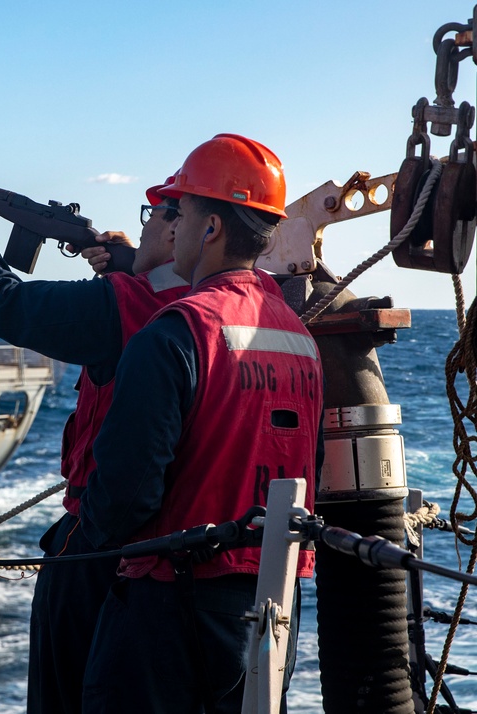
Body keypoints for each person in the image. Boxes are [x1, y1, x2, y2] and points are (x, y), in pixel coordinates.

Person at [78, 134, 324, 713]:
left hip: (168, 614)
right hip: (267, 616)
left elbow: (123, 499)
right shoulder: (301, 340)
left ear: (210, 228)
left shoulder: (174, 332)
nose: (172, 227)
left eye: (180, 212)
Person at [0, 173, 190, 714]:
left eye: (153, 220)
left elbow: (0, 302)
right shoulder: (214, 305)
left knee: (61, 690)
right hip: (177, 548)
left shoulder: (123, 303)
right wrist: (125, 259)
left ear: (180, 232)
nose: (140, 233)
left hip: (98, 538)